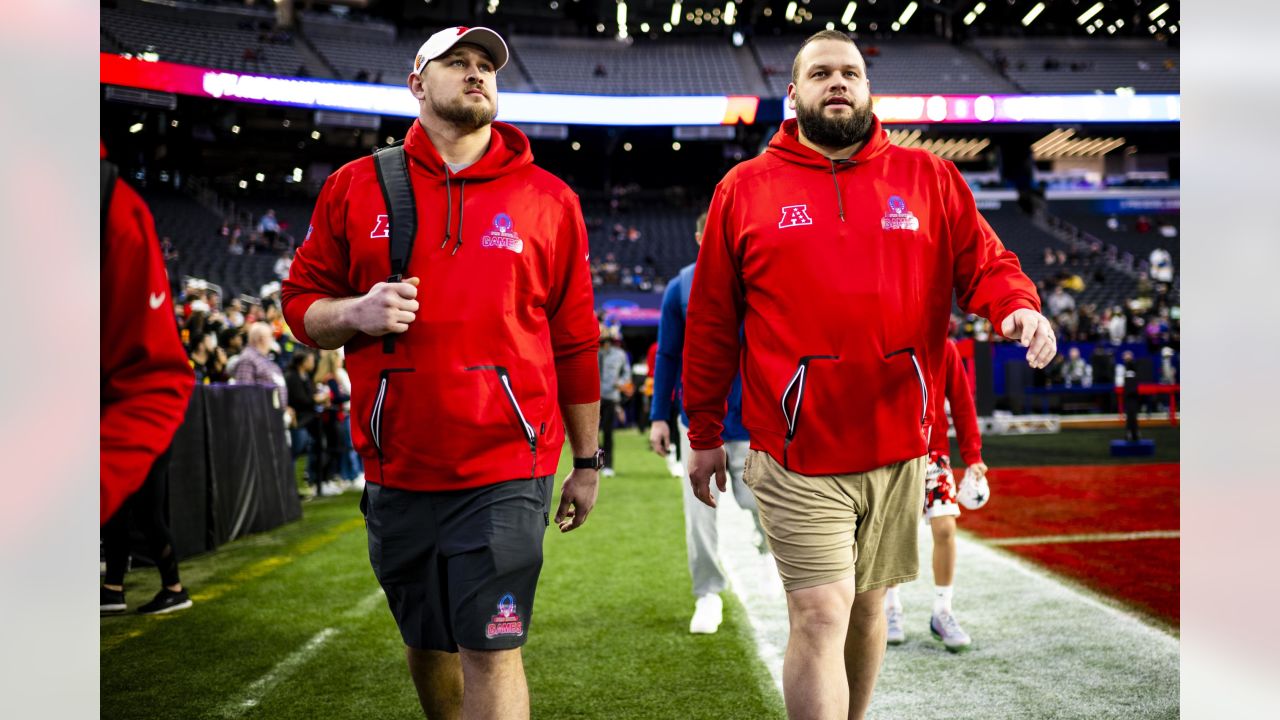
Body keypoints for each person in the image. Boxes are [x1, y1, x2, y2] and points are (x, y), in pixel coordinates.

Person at [681, 31, 1055, 720]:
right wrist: (703, 431)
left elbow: (987, 265)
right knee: (821, 612)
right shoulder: (745, 188)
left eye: (850, 71)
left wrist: (1018, 308)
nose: (838, 82)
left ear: (867, 87)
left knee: (868, 608)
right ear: (793, 94)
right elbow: (709, 325)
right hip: (796, 448)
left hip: (898, 442)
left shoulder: (931, 178)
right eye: (819, 73)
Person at [279, 26, 601, 720]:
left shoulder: (549, 199)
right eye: (458, 63)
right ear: (417, 83)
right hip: (399, 462)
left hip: (507, 465)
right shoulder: (352, 186)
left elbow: (575, 339)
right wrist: (356, 312)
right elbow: (298, 309)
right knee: (428, 645)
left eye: (486, 65)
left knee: (492, 647)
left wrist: (588, 459)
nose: (477, 73)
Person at [649, 212, 767, 635]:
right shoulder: (682, 284)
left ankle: (767, 540)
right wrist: (659, 416)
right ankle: (707, 593)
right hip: (698, 422)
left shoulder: (759, 278)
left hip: (756, 420)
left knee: (765, 504)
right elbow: (667, 354)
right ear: (700, 237)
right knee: (699, 514)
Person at [100, 142, 197, 613]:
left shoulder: (111, 205)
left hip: (144, 435)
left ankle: (174, 588)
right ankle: (115, 588)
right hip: (130, 426)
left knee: (147, 514)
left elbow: (158, 380)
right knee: (125, 515)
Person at [884, 338, 988, 651]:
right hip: (894, 455)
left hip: (934, 456)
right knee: (894, 534)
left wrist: (974, 456)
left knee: (945, 528)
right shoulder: (888, 339)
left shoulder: (945, 348)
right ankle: (890, 608)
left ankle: (942, 611)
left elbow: (962, 402)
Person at [598, 326, 629, 477]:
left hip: (611, 397)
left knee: (608, 432)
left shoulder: (620, 355)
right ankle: (598, 461)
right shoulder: (594, 352)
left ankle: (608, 465)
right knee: (590, 434)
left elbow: (626, 374)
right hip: (594, 399)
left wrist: (620, 382)